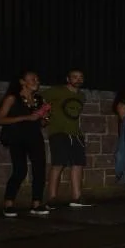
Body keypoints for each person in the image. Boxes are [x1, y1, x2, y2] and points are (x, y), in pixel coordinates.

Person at [0, 70, 50, 218]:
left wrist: (45, 118)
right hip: (16, 138)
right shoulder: (12, 98)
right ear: (22, 82)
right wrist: (26, 117)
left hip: (35, 137)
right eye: (32, 79)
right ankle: (8, 204)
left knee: (39, 170)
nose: (36, 82)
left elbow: (42, 123)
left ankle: (36, 203)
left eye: (37, 79)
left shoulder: (39, 99)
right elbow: (0, 119)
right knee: (20, 170)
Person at [43, 68, 90, 207]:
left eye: (80, 77)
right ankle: (52, 198)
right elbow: (39, 99)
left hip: (76, 134)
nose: (78, 79)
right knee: (58, 164)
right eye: (74, 77)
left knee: (78, 164)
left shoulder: (81, 96)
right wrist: (45, 115)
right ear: (68, 79)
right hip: (59, 132)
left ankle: (76, 198)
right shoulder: (57, 91)